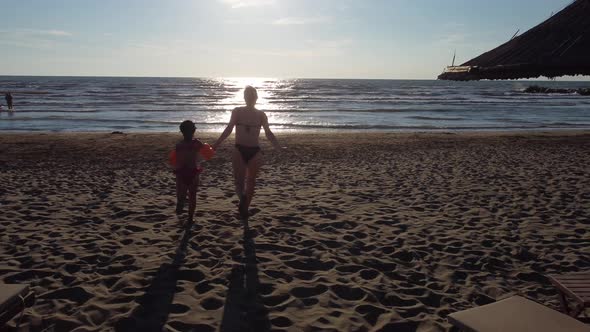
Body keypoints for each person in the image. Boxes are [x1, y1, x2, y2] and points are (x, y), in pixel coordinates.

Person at [213, 86, 282, 218]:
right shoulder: (237, 111)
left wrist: (277, 146)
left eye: (251, 95)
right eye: (248, 95)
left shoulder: (261, 114)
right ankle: (244, 205)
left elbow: (268, 133)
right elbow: (229, 129)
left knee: (245, 182)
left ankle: (244, 204)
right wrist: (216, 144)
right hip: (241, 149)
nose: (250, 98)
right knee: (246, 182)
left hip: (253, 151)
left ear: (256, 97)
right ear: (245, 97)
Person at [173, 120, 204, 224]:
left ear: (181, 132)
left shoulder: (179, 145)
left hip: (181, 172)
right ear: (194, 130)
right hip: (193, 172)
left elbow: (177, 161)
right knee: (192, 195)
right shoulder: (197, 143)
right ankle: (190, 217)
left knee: (181, 192)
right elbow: (204, 154)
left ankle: (180, 202)